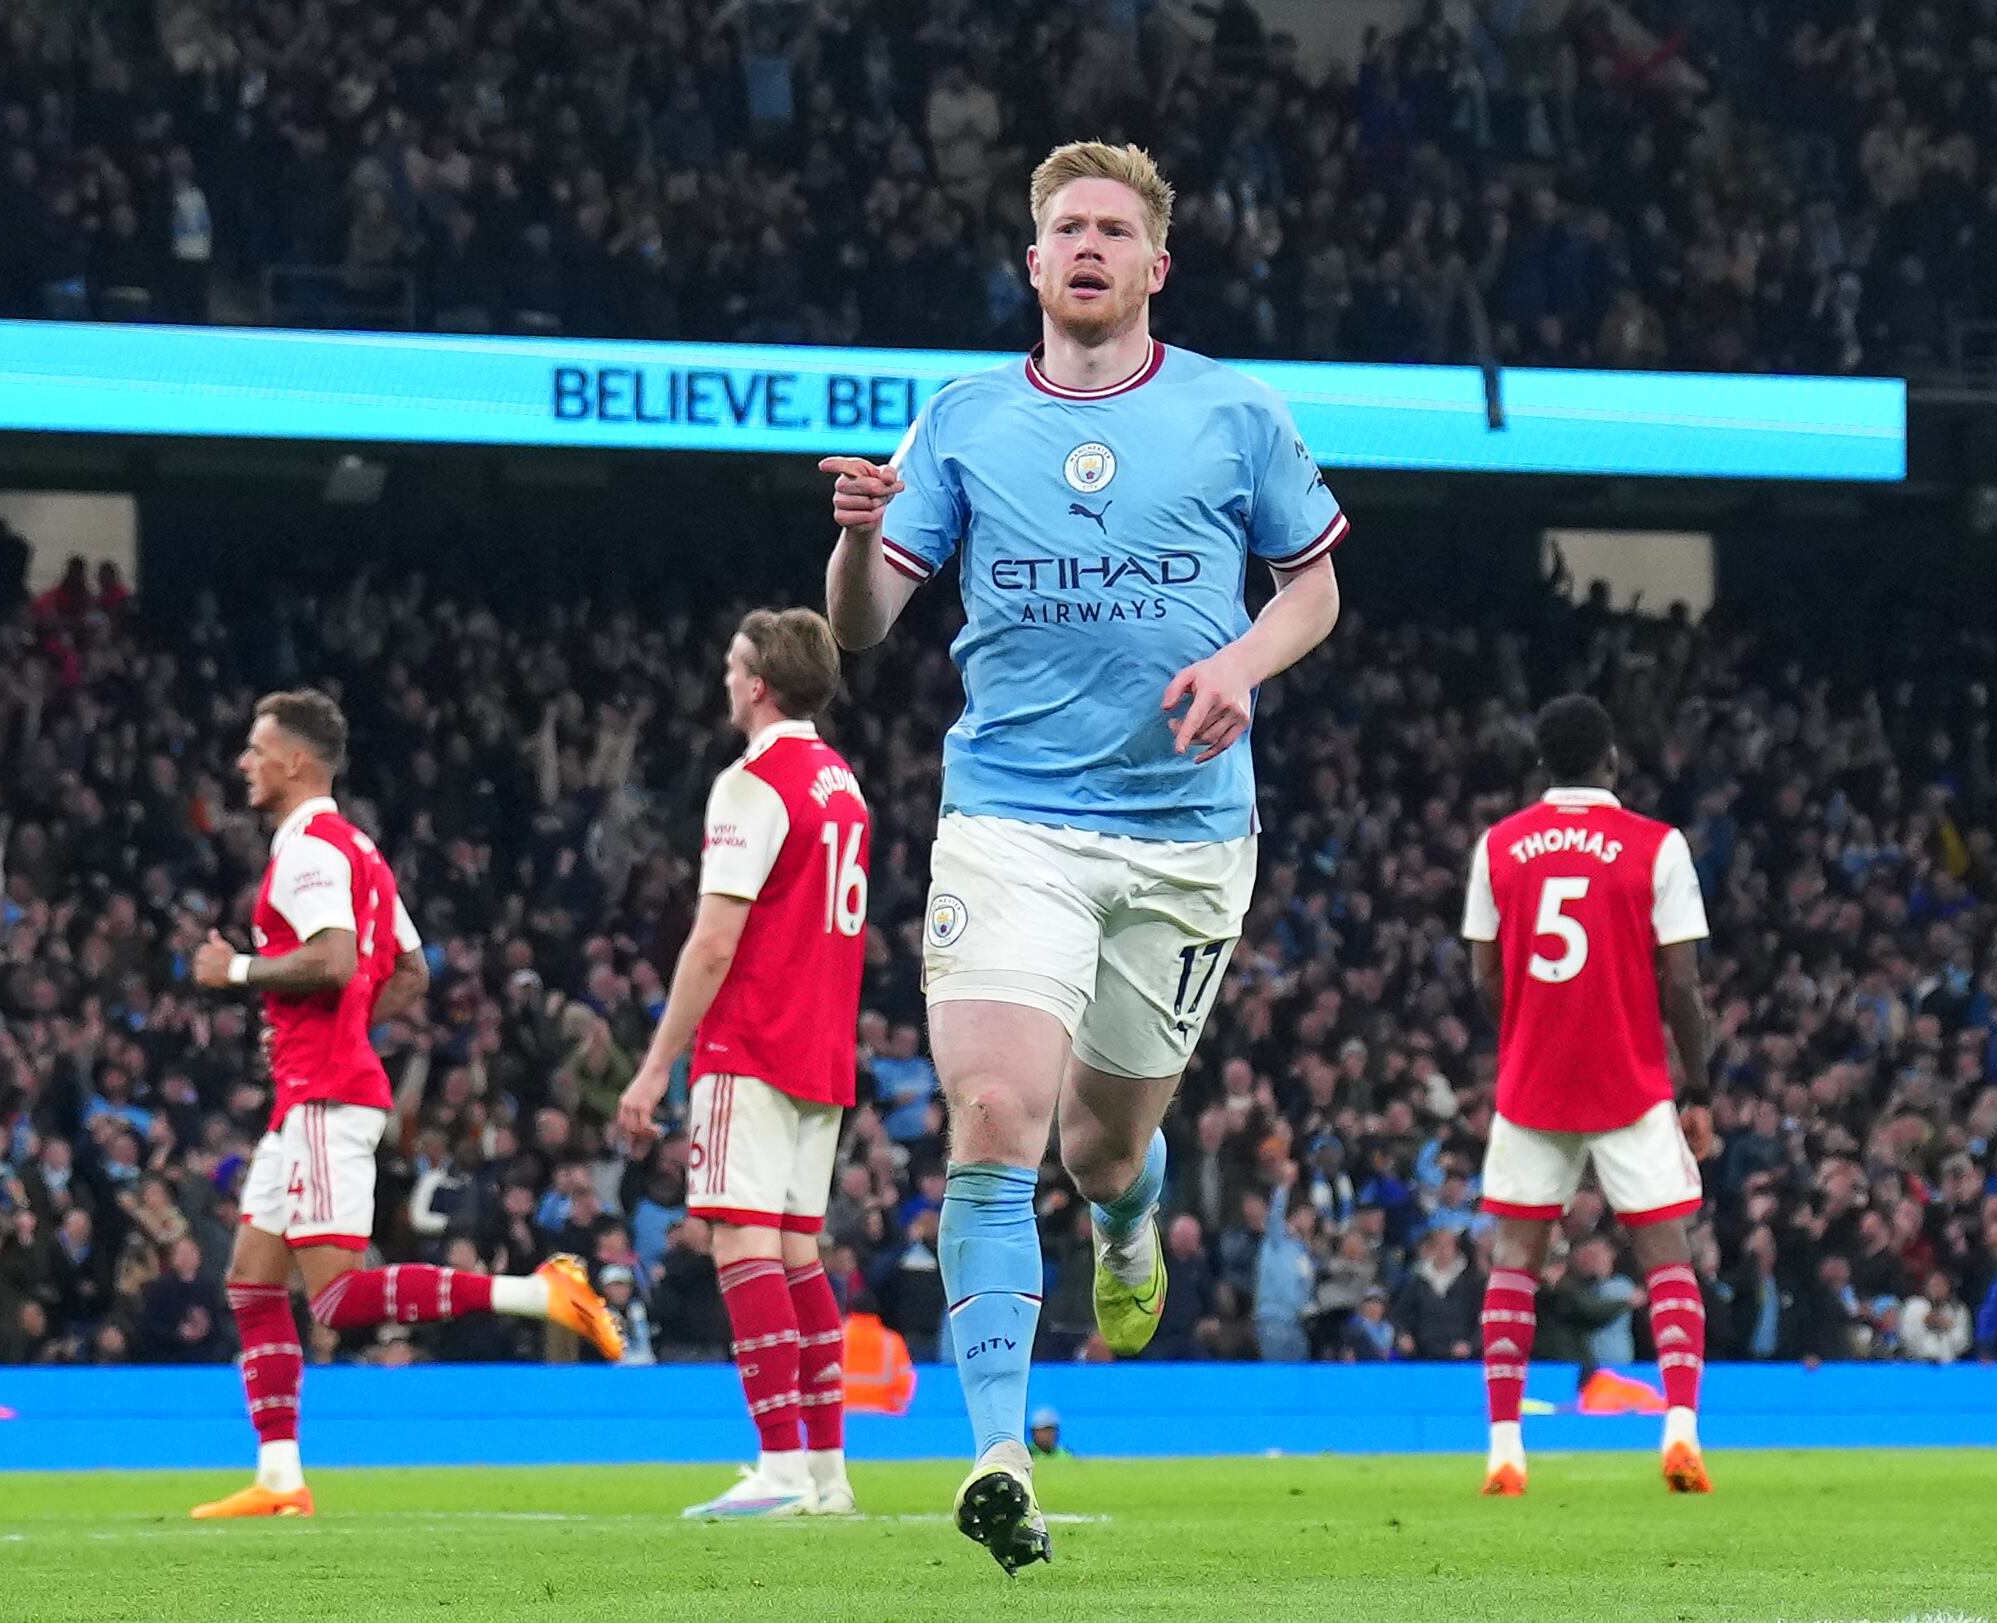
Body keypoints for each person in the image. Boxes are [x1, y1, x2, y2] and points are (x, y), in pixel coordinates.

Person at [820, 138, 1345, 1574]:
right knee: (993, 1114)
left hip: (1183, 836)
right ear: (1034, 260)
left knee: (1102, 1140)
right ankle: (997, 1450)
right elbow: (864, 625)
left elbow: (1314, 586)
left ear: (1154, 265)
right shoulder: (967, 417)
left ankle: (1128, 1215)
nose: (1091, 246)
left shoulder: (1232, 411)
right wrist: (858, 541)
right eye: (1068, 227)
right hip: (1012, 819)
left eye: (1117, 228)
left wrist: (1240, 659)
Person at [187, 690, 621, 1520]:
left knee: (337, 1297)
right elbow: (411, 972)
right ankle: (280, 1476)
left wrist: (236, 972)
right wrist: (344, 1022)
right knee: (251, 1282)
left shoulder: (311, 847)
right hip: (310, 1094)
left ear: (297, 761)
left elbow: (333, 959)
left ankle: (540, 1292)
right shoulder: (358, 848)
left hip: (324, 1097)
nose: (244, 761)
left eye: (255, 747)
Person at [616, 609, 870, 1519]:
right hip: (822, 1048)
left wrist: (653, 1069)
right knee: (799, 1253)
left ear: (759, 683)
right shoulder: (841, 784)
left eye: (732, 666)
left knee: (743, 1242)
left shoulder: (752, 782)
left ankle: (777, 1465)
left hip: (752, 1040)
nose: (725, 680)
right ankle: (826, 1473)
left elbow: (715, 940)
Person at [1461, 693, 1714, 1497]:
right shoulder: (1656, 845)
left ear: (1542, 763)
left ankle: (1505, 1445)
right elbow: (1680, 981)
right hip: (1630, 1079)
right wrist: (1698, 1085)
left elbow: (1482, 972)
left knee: (1514, 1262)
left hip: (1532, 1079)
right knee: (1666, 1254)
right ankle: (1679, 1429)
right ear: (1611, 760)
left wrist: (1527, 1031)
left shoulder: (1499, 845)